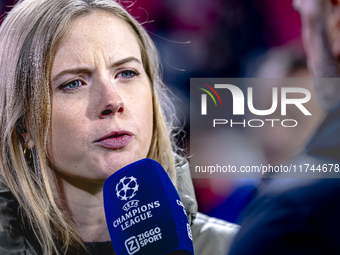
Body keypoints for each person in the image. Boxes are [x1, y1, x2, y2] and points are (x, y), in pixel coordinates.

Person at [0, 0, 239, 254]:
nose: (112, 101)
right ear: (24, 125)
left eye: (127, 73)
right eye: (73, 83)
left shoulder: (238, 247)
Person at [228, 0, 340, 254]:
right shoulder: (230, 208)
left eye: (294, 117)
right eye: (261, 113)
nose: (273, 134)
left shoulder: (287, 221)